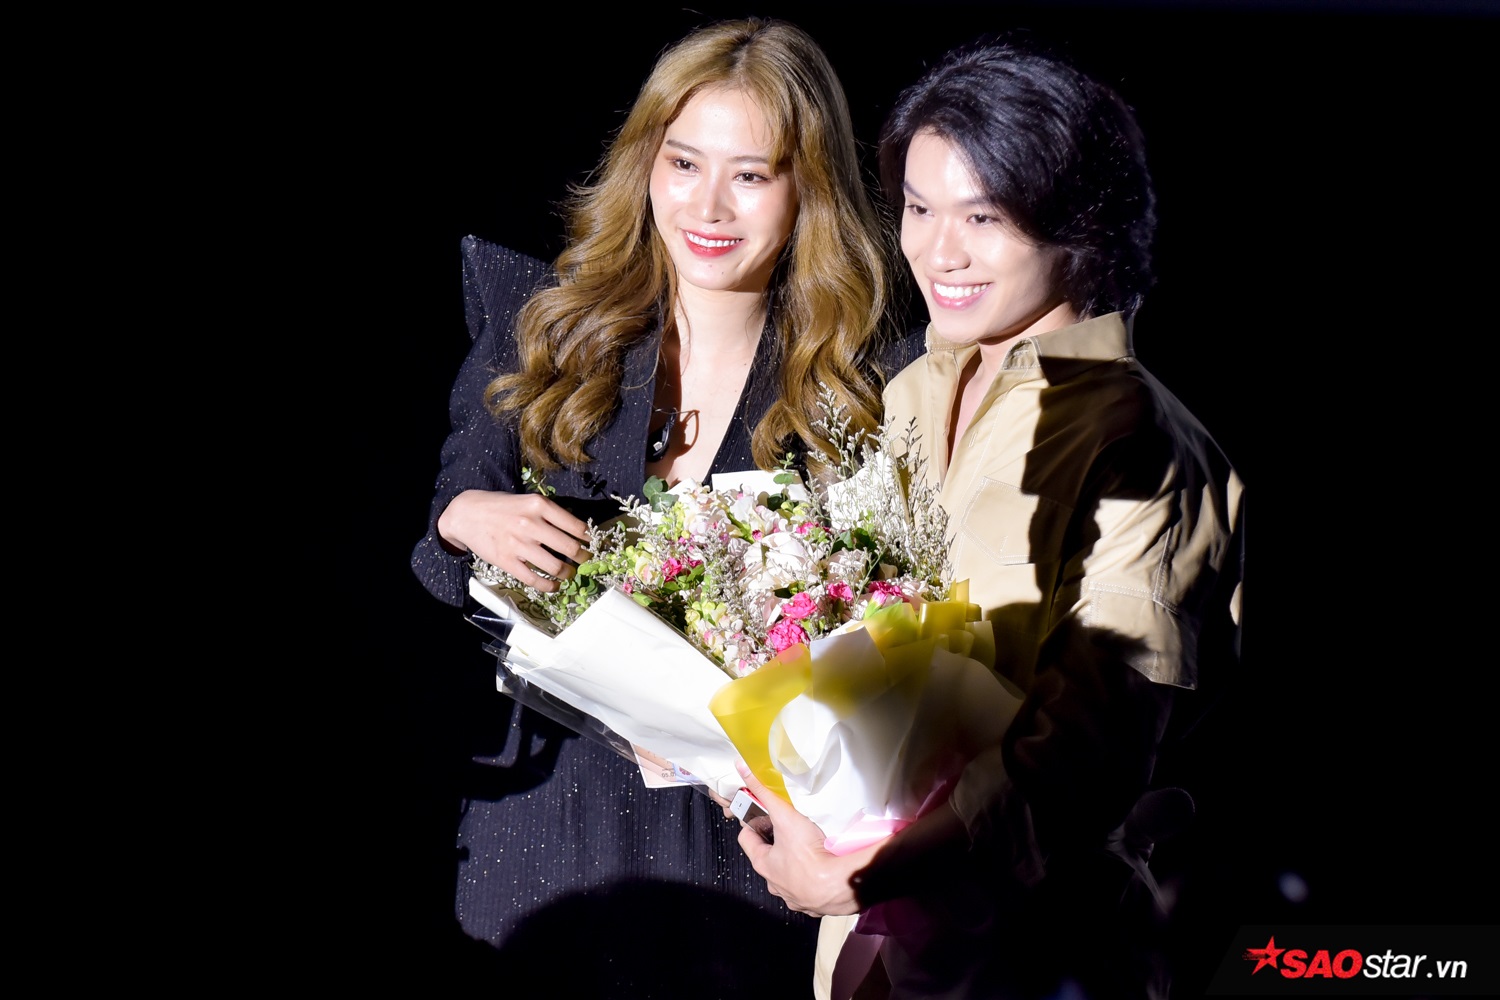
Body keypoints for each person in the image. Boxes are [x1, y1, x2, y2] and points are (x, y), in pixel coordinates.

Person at [409, 16, 923, 992]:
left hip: (747, 857)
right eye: (684, 162)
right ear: (646, 161)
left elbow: (895, 646)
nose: (708, 204)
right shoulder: (546, 326)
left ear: (808, 189)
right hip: (551, 842)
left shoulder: (867, 381)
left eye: (751, 174)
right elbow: (434, 547)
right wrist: (463, 518)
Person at [733, 35, 1246, 1000]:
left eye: (984, 217)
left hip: (1033, 945)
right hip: (864, 943)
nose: (939, 251)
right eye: (919, 208)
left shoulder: (1135, 436)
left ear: (1079, 226)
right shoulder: (908, 394)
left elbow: (1090, 749)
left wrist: (881, 871)